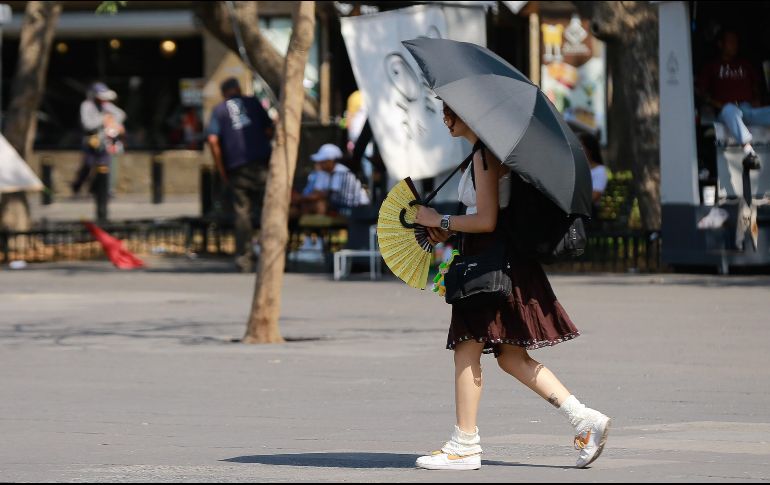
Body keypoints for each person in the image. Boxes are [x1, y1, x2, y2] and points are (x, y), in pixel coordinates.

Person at [412, 102, 611, 471]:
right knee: (511, 356)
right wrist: (448, 226)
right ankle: (583, 419)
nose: (446, 119)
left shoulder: (485, 155)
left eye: (451, 112)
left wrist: (437, 217)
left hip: (489, 263)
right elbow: (487, 216)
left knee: (466, 347)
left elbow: (486, 220)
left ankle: (464, 445)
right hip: (503, 262)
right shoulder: (485, 153)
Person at [206, 78, 274, 272]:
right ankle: (270, 253)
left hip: (237, 167)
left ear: (224, 93)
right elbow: (269, 129)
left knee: (242, 211)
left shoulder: (219, 110)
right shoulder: (253, 103)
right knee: (265, 209)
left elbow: (212, 140)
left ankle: (245, 256)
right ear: (238, 89)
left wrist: (221, 168)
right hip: (260, 163)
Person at [697, 29, 768, 170]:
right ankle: (749, 152)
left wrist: (757, 99)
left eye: (736, 42)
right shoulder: (712, 66)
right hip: (727, 111)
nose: (734, 45)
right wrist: (717, 104)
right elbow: (700, 92)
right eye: (730, 42)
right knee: (730, 110)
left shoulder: (745, 65)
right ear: (720, 44)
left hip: (748, 109)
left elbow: (757, 87)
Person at [72, 82, 125, 196]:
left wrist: (112, 123)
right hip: (90, 141)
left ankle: (100, 189)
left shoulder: (105, 105)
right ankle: (77, 187)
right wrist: (103, 119)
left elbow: (120, 114)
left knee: (104, 165)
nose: (103, 100)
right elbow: (87, 125)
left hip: (104, 141)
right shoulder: (86, 105)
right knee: (88, 164)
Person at [579, 132, 607, 220]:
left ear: (589, 149)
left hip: (588, 214)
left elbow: (594, 196)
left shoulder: (600, 170)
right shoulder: (580, 168)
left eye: (581, 146)